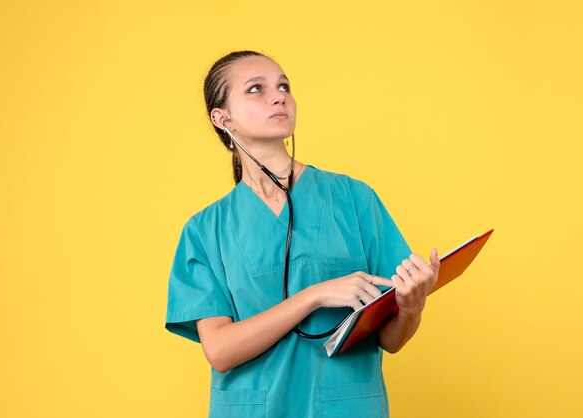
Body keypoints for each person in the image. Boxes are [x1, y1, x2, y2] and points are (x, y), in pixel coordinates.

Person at [165, 50, 440, 418]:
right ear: (222, 117)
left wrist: (410, 308)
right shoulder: (204, 230)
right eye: (255, 89)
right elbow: (220, 350)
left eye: (283, 86)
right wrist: (313, 296)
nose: (278, 95)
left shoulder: (354, 199)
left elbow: (391, 340)